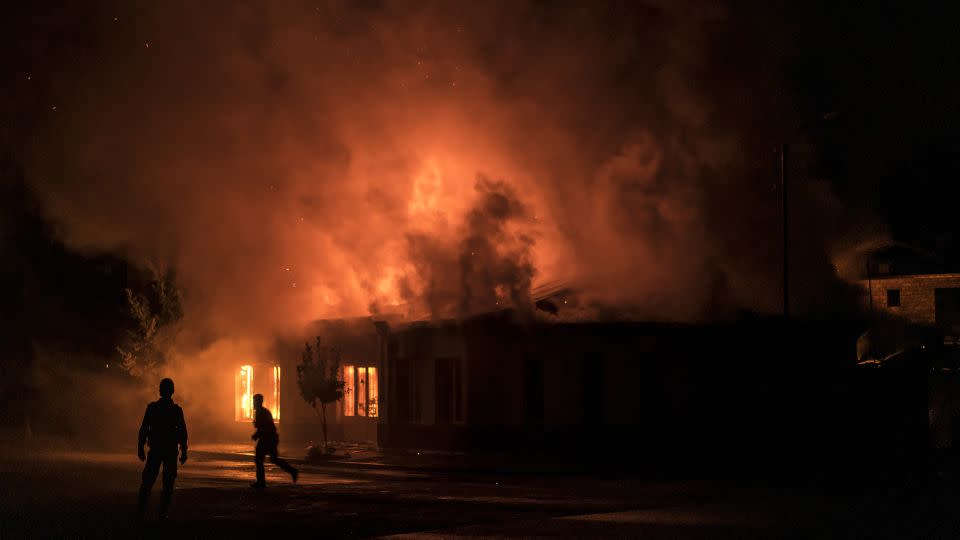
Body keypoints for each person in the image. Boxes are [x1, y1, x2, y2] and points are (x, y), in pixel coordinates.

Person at [137, 378, 188, 520]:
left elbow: (144, 429)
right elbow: (183, 432)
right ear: (172, 391)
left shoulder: (153, 408)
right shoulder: (176, 410)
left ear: (160, 391)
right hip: (169, 450)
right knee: (167, 483)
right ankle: (162, 513)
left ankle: (142, 511)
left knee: (148, 481)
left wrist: (140, 447)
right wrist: (184, 451)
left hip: (157, 449)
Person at [250, 393, 298, 488]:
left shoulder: (263, 412)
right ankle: (292, 471)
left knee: (259, 459)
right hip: (267, 438)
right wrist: (257, 433)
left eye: (255, 402)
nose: (253, 404)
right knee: (272, 459)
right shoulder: (259, 412)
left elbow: (266, 427)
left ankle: (261, 483)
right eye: (253, 402)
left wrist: (257, 434)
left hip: (268, 439)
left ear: (259, 402)